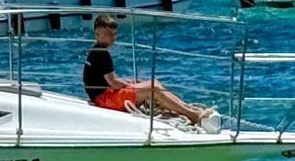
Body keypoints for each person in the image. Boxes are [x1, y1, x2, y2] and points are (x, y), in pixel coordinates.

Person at [82, 13, 212, 126]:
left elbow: (109, 80)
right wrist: (131, 84)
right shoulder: (102, 53)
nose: (113, 37)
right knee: (153, 87)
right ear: (97, 34)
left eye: (114, 34)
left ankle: (186, 107)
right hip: (105, 99)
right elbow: (114, 83)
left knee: (153, 83)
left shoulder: (95, 50)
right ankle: (193, 115)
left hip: (102, 95)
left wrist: (131, 82)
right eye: (108, 34)